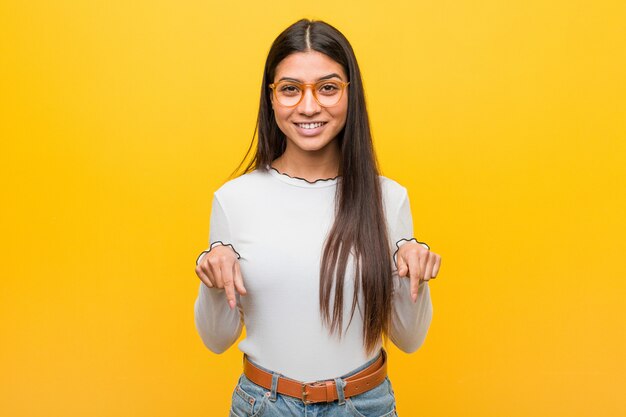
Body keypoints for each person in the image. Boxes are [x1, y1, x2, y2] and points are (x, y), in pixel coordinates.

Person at [194, 18, 441, 417]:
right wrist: (209, 280)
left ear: (350, 94)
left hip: (364, 405)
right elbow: (216, 340)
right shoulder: (234, 199)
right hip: (264, 405)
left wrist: (415, 279)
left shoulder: (387, 199)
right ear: (271, 98)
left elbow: (409, 339)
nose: (309, 106)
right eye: (290, 90)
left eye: (328, 88)